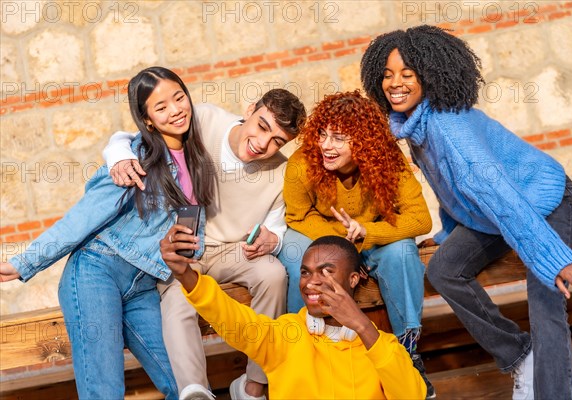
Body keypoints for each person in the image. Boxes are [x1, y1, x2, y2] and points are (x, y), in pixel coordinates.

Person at [360, 25, 572, 400]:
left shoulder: (448, 129)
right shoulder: (417, 124)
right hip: (496, 215)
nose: (395, 83)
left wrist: (556, 259)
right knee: (444, 269)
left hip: (543, 201)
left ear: (430, 75)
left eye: (407, 73)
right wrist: (449, 233)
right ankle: (520, 354)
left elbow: (501, 194)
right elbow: (450, 188)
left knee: (547, 295)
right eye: (387, 75)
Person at [0, 66, 217, 399]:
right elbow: (84, 216)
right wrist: (24, 263)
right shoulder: (134, 158)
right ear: (147, 120)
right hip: (97, 272)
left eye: (179, 97)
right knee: (105, 390)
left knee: (185, 384)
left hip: (145, 286)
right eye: (161, 107)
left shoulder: (198, 156)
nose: (175, 110)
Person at [103, 88, 306, 399]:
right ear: (249, 110)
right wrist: (117, 153)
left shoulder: (282, 171)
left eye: (278, 141)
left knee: (273, 274)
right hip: (185, 245)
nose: (264, 143)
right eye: (262, 126)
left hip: (233, 250)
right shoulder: (205, 120)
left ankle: (253, 386)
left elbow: (276, 227)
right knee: (180, 296)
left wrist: (273, 239)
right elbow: (133, 135)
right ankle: (194, 390)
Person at [277, 90, 436, 397]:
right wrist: (341, 245)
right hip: (327, 240)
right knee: (296, 252)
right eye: (322, 134)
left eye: (338, 138)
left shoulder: (388, 161)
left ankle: (408, 352)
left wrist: (367, 233)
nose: (325, 145)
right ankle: (303, 348)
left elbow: (420, 219)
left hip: (369, 238)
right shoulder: (302, 164)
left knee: (402, 250)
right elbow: (296, 217)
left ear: (363, 142)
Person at [163, 229, 427, 399]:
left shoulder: (382, 346)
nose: (311, 282)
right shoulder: (285, 334)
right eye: (305, 272)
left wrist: (362, 326)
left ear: (354, 279)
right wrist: (185, 274)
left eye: (326, 271)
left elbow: (412, 396)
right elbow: (233, 320)